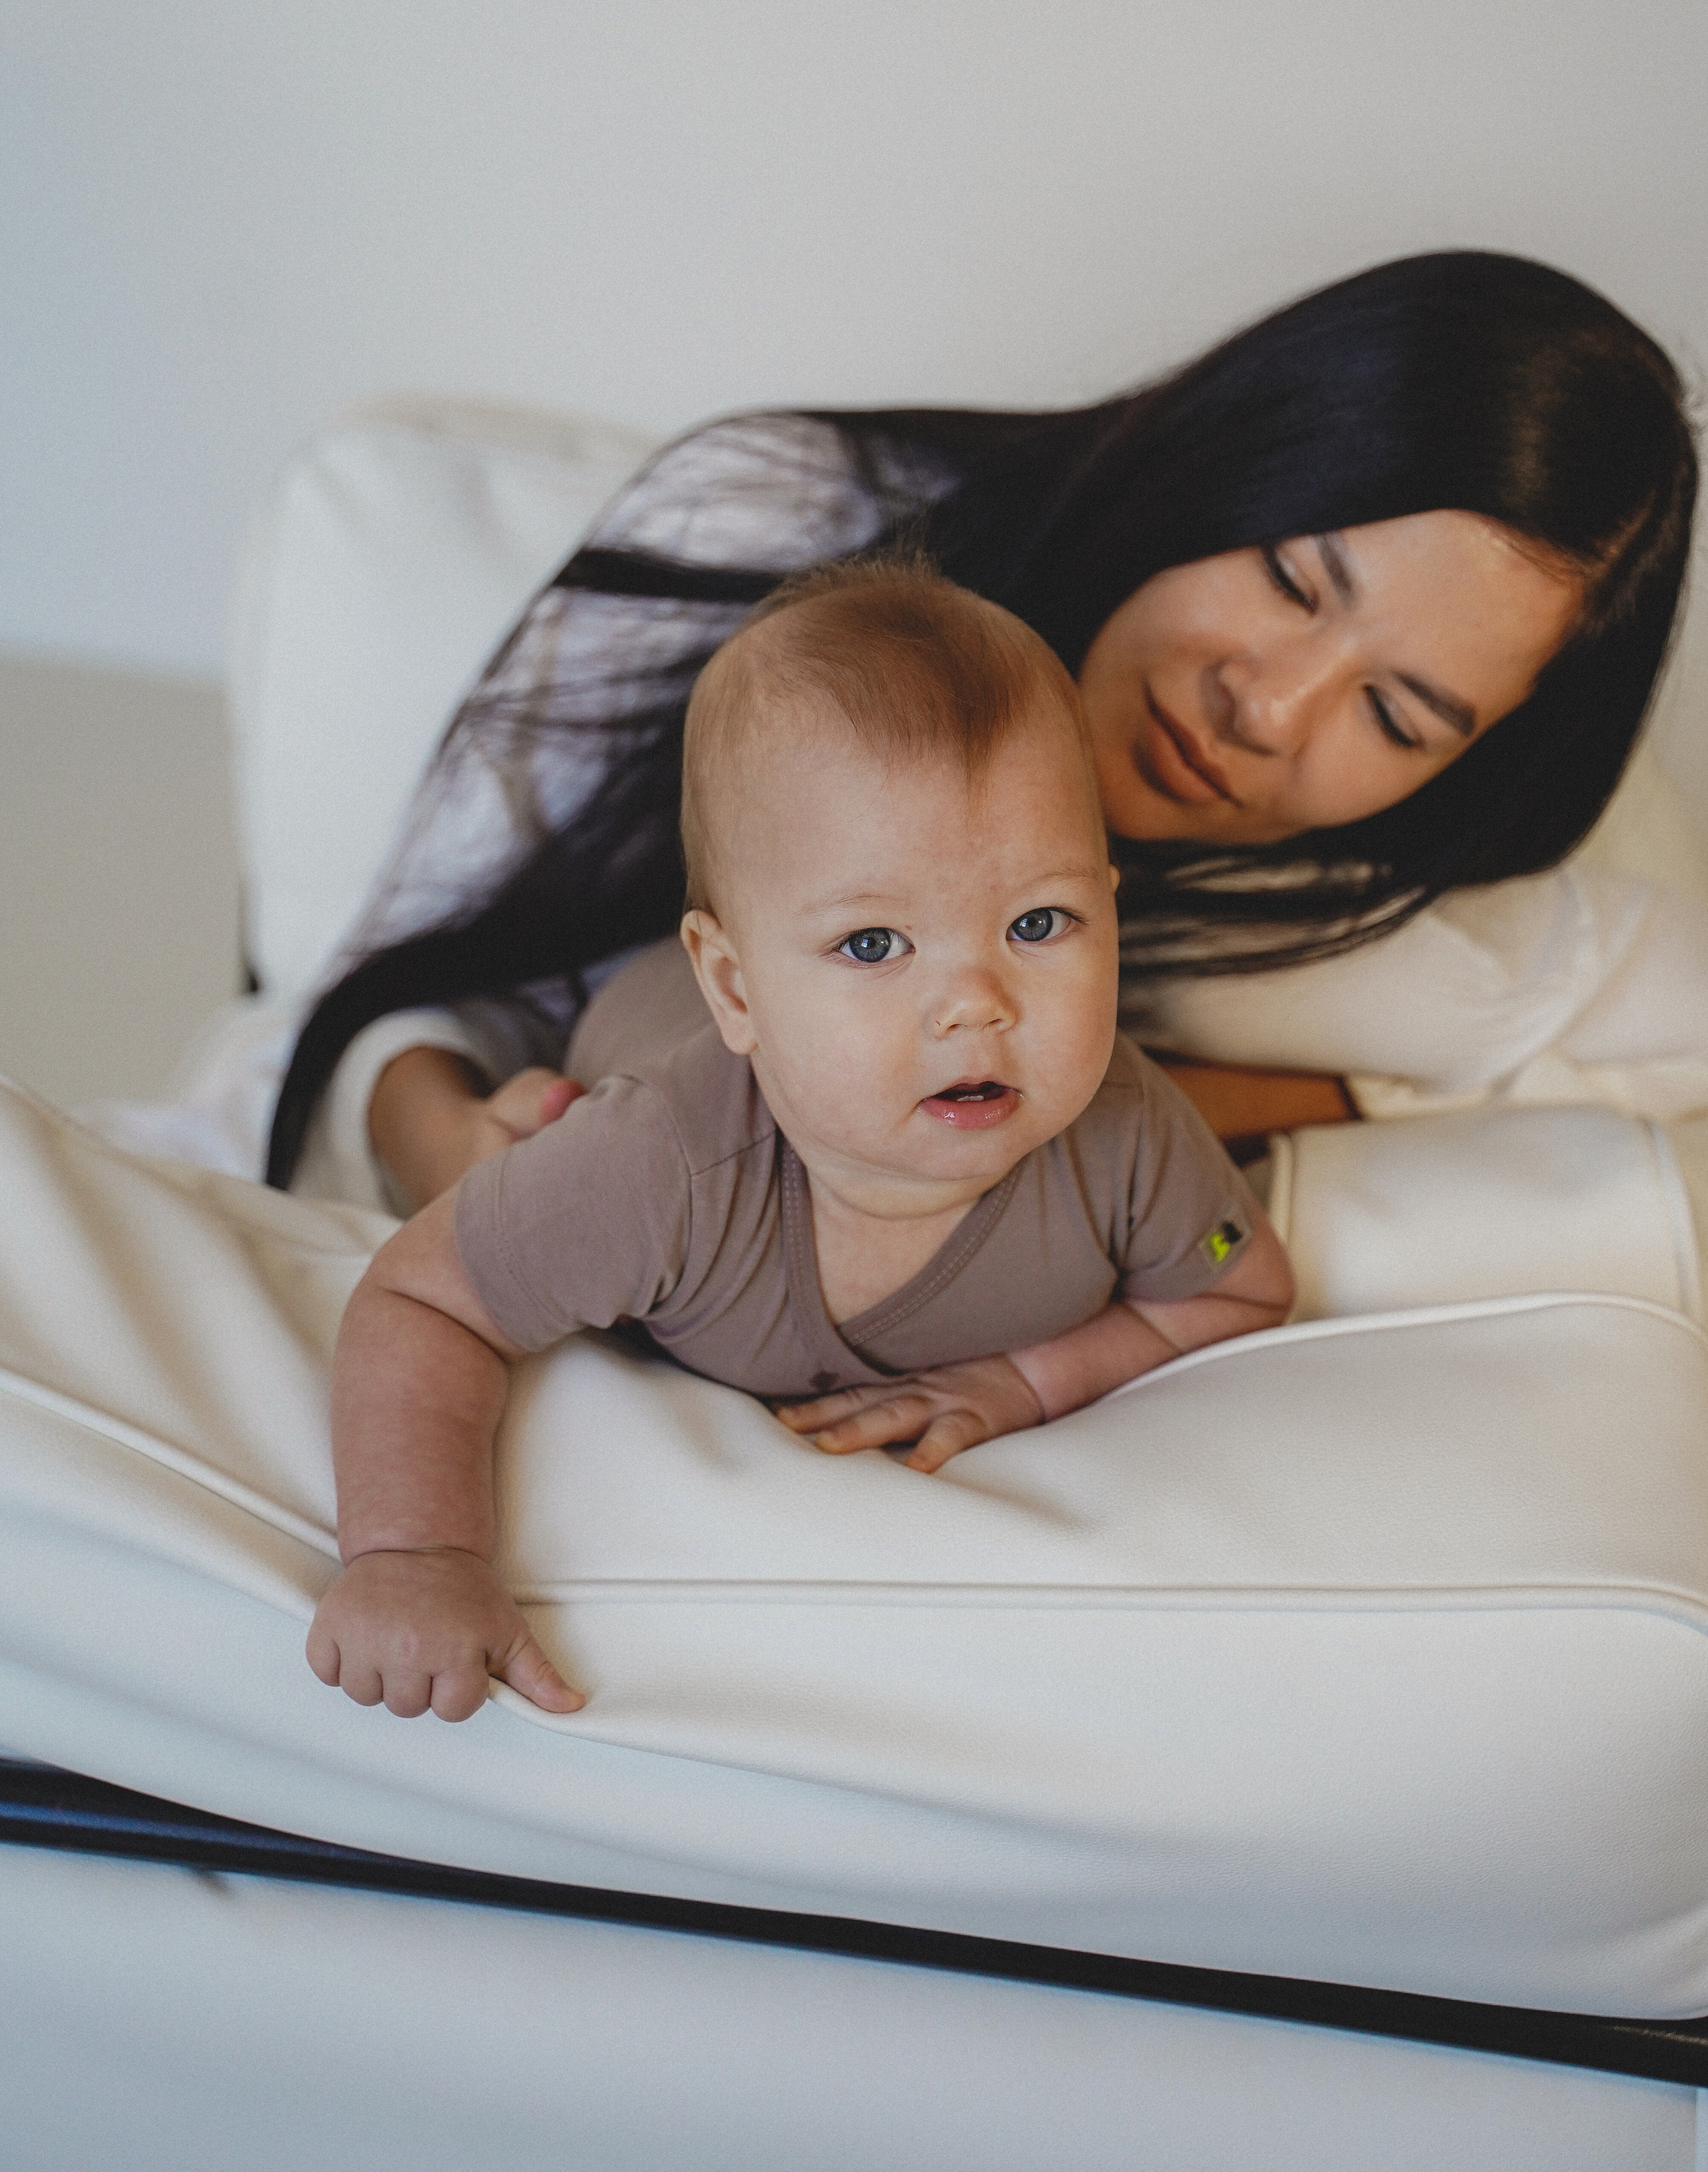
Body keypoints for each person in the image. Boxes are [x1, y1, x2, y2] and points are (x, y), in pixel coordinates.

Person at [265, 249, 1698, 1211]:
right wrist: (436, 1139)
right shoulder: (767, 521)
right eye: (1287, 578)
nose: (1267, 709)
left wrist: (1228, 1099)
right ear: (1229, 460)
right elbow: (423, 967)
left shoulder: (1346, 917)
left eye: (1394, 714)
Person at [306, 564, 1292, 1720]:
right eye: (875, 945)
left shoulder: (1124, 1131)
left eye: (1040, 923)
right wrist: (416, 1551)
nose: (976, 1004)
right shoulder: (658, 1165)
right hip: (614, 1038)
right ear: (735, 988)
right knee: (512, 1135)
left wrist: (1025, 1379)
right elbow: (423, 1300)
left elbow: (1239, 1286)